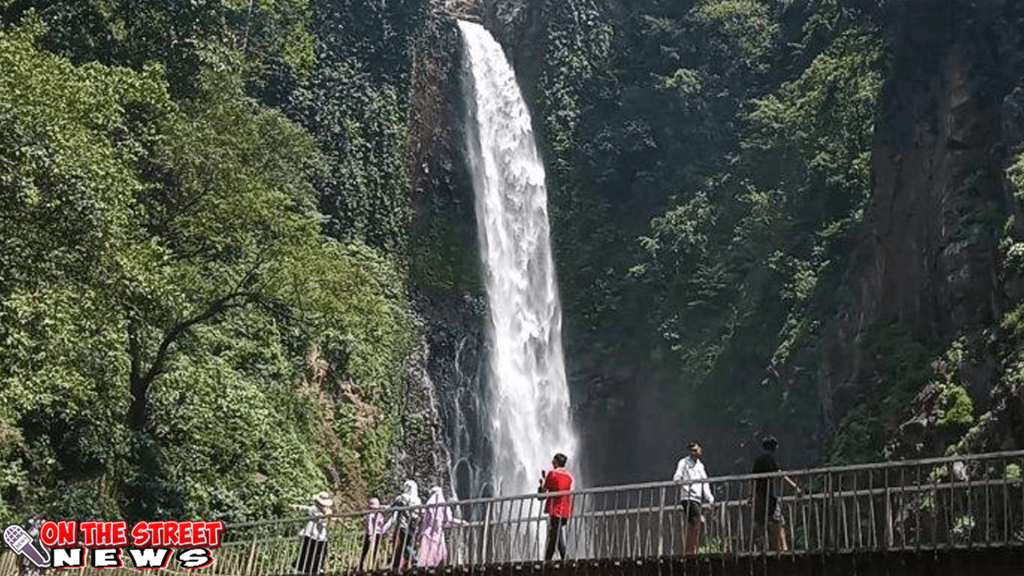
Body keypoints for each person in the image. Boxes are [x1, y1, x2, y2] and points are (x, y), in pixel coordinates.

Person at [750, 435, 802, 552]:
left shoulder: (758, 459)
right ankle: (782, 548)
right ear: (775, 447)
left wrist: (750, 495)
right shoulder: (770, 458)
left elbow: (752, 478)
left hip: (760, 496)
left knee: (759, 522)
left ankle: (758, 547)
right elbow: (780, 475)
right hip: (770, 496)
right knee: (778, 521)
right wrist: (795, 488)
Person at [672, 441, 714, 554]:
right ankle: (691, 549)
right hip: (687, 498)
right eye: (693, 451)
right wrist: (684, 484)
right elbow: (676, 477)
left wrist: (710, 498)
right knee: (699, 521)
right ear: (689, 451)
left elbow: (705, 483)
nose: (695, 452)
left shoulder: (700, 466)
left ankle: (690, 549)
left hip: (697, 499)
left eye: (696, 450)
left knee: (693, 524)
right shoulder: (683, 462)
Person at [537, 452, 573, 561]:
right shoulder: (569, 476)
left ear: (556, 462)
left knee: (556, 536)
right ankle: (548, 560)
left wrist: (541, 483)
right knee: (555, 536)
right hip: (565, 510)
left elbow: (542, 495)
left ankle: (564, 559)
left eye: (553, 460)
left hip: (555, 509)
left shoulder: (552, 474)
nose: (552, 462)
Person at [382, 479, 422, 570]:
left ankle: (410, 561)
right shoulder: (417, 500)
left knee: (400, 546)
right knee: (409, 545)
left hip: (402, 525)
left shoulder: (402, 498)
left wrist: (383, 508)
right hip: (412, 527)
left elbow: (392, 509)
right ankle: (407, 565)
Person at [291, 491, 332, 575]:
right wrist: (326, 514)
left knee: (322, 552)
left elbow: (325, 523)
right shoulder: (313, 509)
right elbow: (321, 518)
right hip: (312, 534)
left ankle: (318, 568)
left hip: (321, 535)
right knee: (309, 552)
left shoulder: (325, 510)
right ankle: (307, 570)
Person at [417, 486, 457, 567]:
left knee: (426, 555)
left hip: (427, 533)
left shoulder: (428, 506)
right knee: (439, 554)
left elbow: (424, 519)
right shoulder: (444, 506)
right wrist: (460, 522)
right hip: (438, 534)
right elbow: (449, 520)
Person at [359, 497, 385, 571]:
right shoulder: (370, 515)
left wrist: (383, 532)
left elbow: (381, 524)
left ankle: (373, 565)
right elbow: (369, 525)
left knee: (376, 549)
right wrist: (370, 534)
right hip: (370, 534)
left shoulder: (379, 515)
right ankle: (363, 565)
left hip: (377, 533)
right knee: (366, 549)